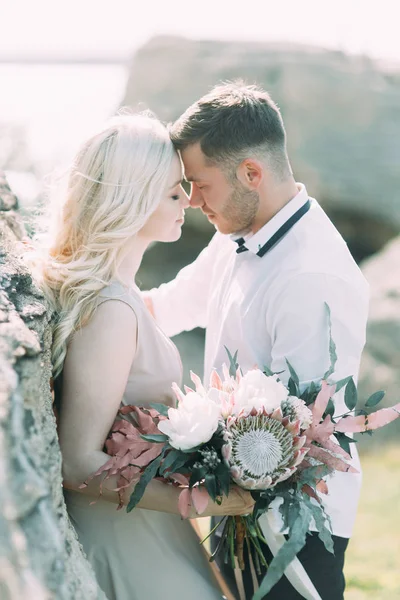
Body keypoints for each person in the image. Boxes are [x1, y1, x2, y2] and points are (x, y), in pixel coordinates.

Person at [144, 82, 370, 599]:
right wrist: (94, 298)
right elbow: (170, 304)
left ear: (251, 173)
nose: (191, 199)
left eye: (200, 184)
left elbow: (301, 435)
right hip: (234, 502)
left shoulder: (313, 276)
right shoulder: (237, 232)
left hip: (296, 525)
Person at [29, 112, 254, 600]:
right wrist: (199, 502)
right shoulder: (110, 309)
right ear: (130, 197)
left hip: (150, 524)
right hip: (124, 533)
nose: (189, 201)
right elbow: (76, 461)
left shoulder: (125, 294)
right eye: (174, 191)